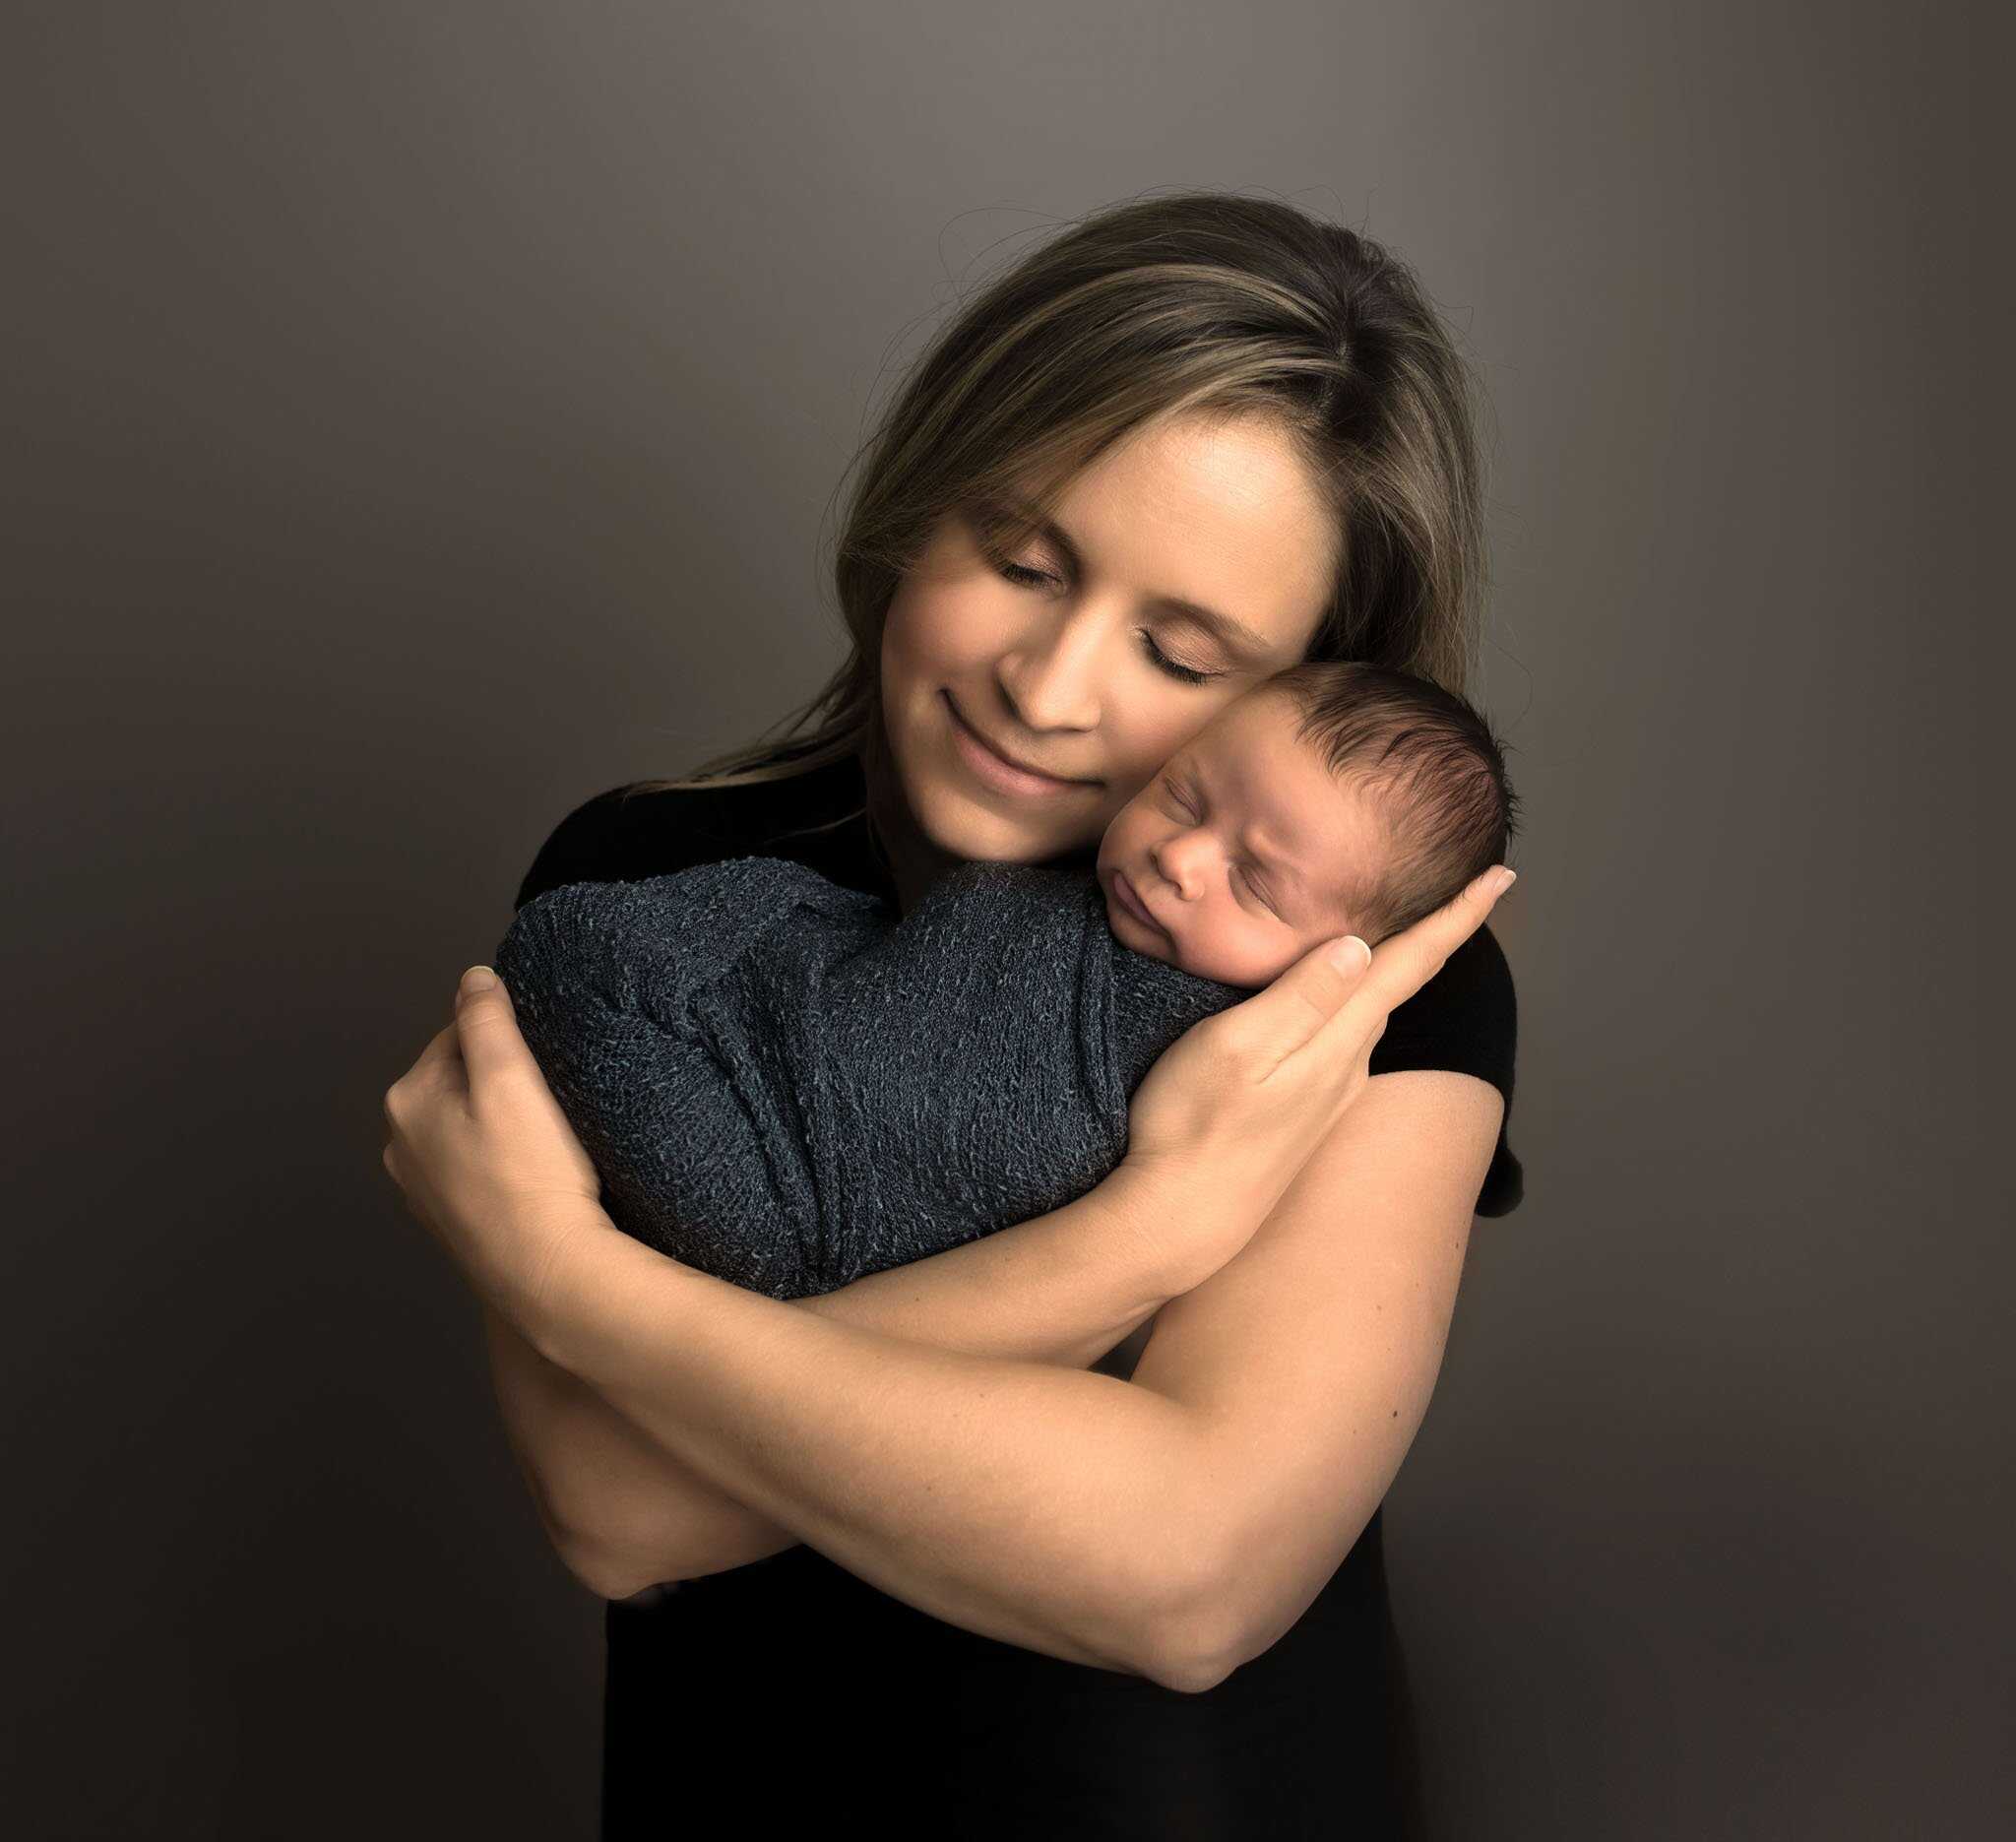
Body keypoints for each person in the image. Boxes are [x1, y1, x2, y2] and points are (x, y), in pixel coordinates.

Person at [381, 190, 1525, 1838]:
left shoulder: (1340, 984)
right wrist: (1144, 1234)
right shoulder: (647, 891)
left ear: (1316, 688)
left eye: (1179, 651)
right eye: (1020, 560)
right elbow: (618, 1510)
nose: (1046, 689)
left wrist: (575, 1287)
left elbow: (1189, 1573)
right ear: (918, 508)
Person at [491, 662, 1517, 1302]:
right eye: (1182, 794)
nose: (1179, 858)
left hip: (793, 1211)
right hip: (782, 1069)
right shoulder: (1075, 885)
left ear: (1347, 959)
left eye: (1254, 882)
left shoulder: (1252, 1052)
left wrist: (556, 1255)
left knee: (572, 950)